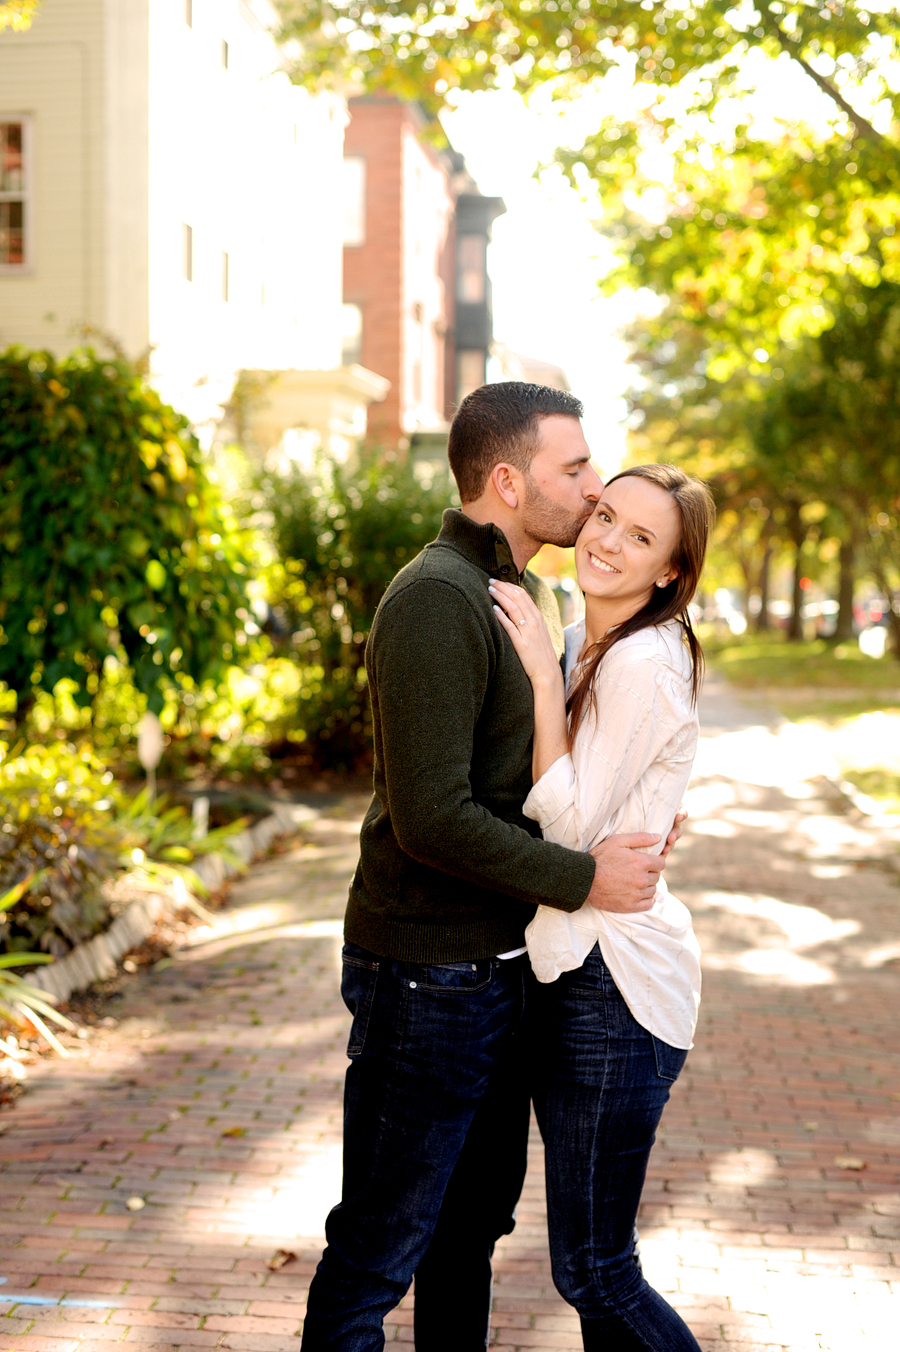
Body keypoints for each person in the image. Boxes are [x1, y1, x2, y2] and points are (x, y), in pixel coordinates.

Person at [300, 385, 684, 1352]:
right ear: (509, 481)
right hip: (427, 978)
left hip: (498, 974)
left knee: (468, 1236)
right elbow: (433, 819)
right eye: (575, 469)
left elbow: (575, 759)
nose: (594, 490)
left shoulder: (524, 593)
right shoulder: (436, 597)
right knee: (381, 1247)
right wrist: (582, 877)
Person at [489, 463, 714, 1351]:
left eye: (641, 538)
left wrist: (545, 685)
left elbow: (573, 833)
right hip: (572, 967)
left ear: (669, 572)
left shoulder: (639, 661)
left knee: (595, 1268)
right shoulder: (585, 633)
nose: (608, 541)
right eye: (606, 516)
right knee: (590, 1272)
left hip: (616, 986)